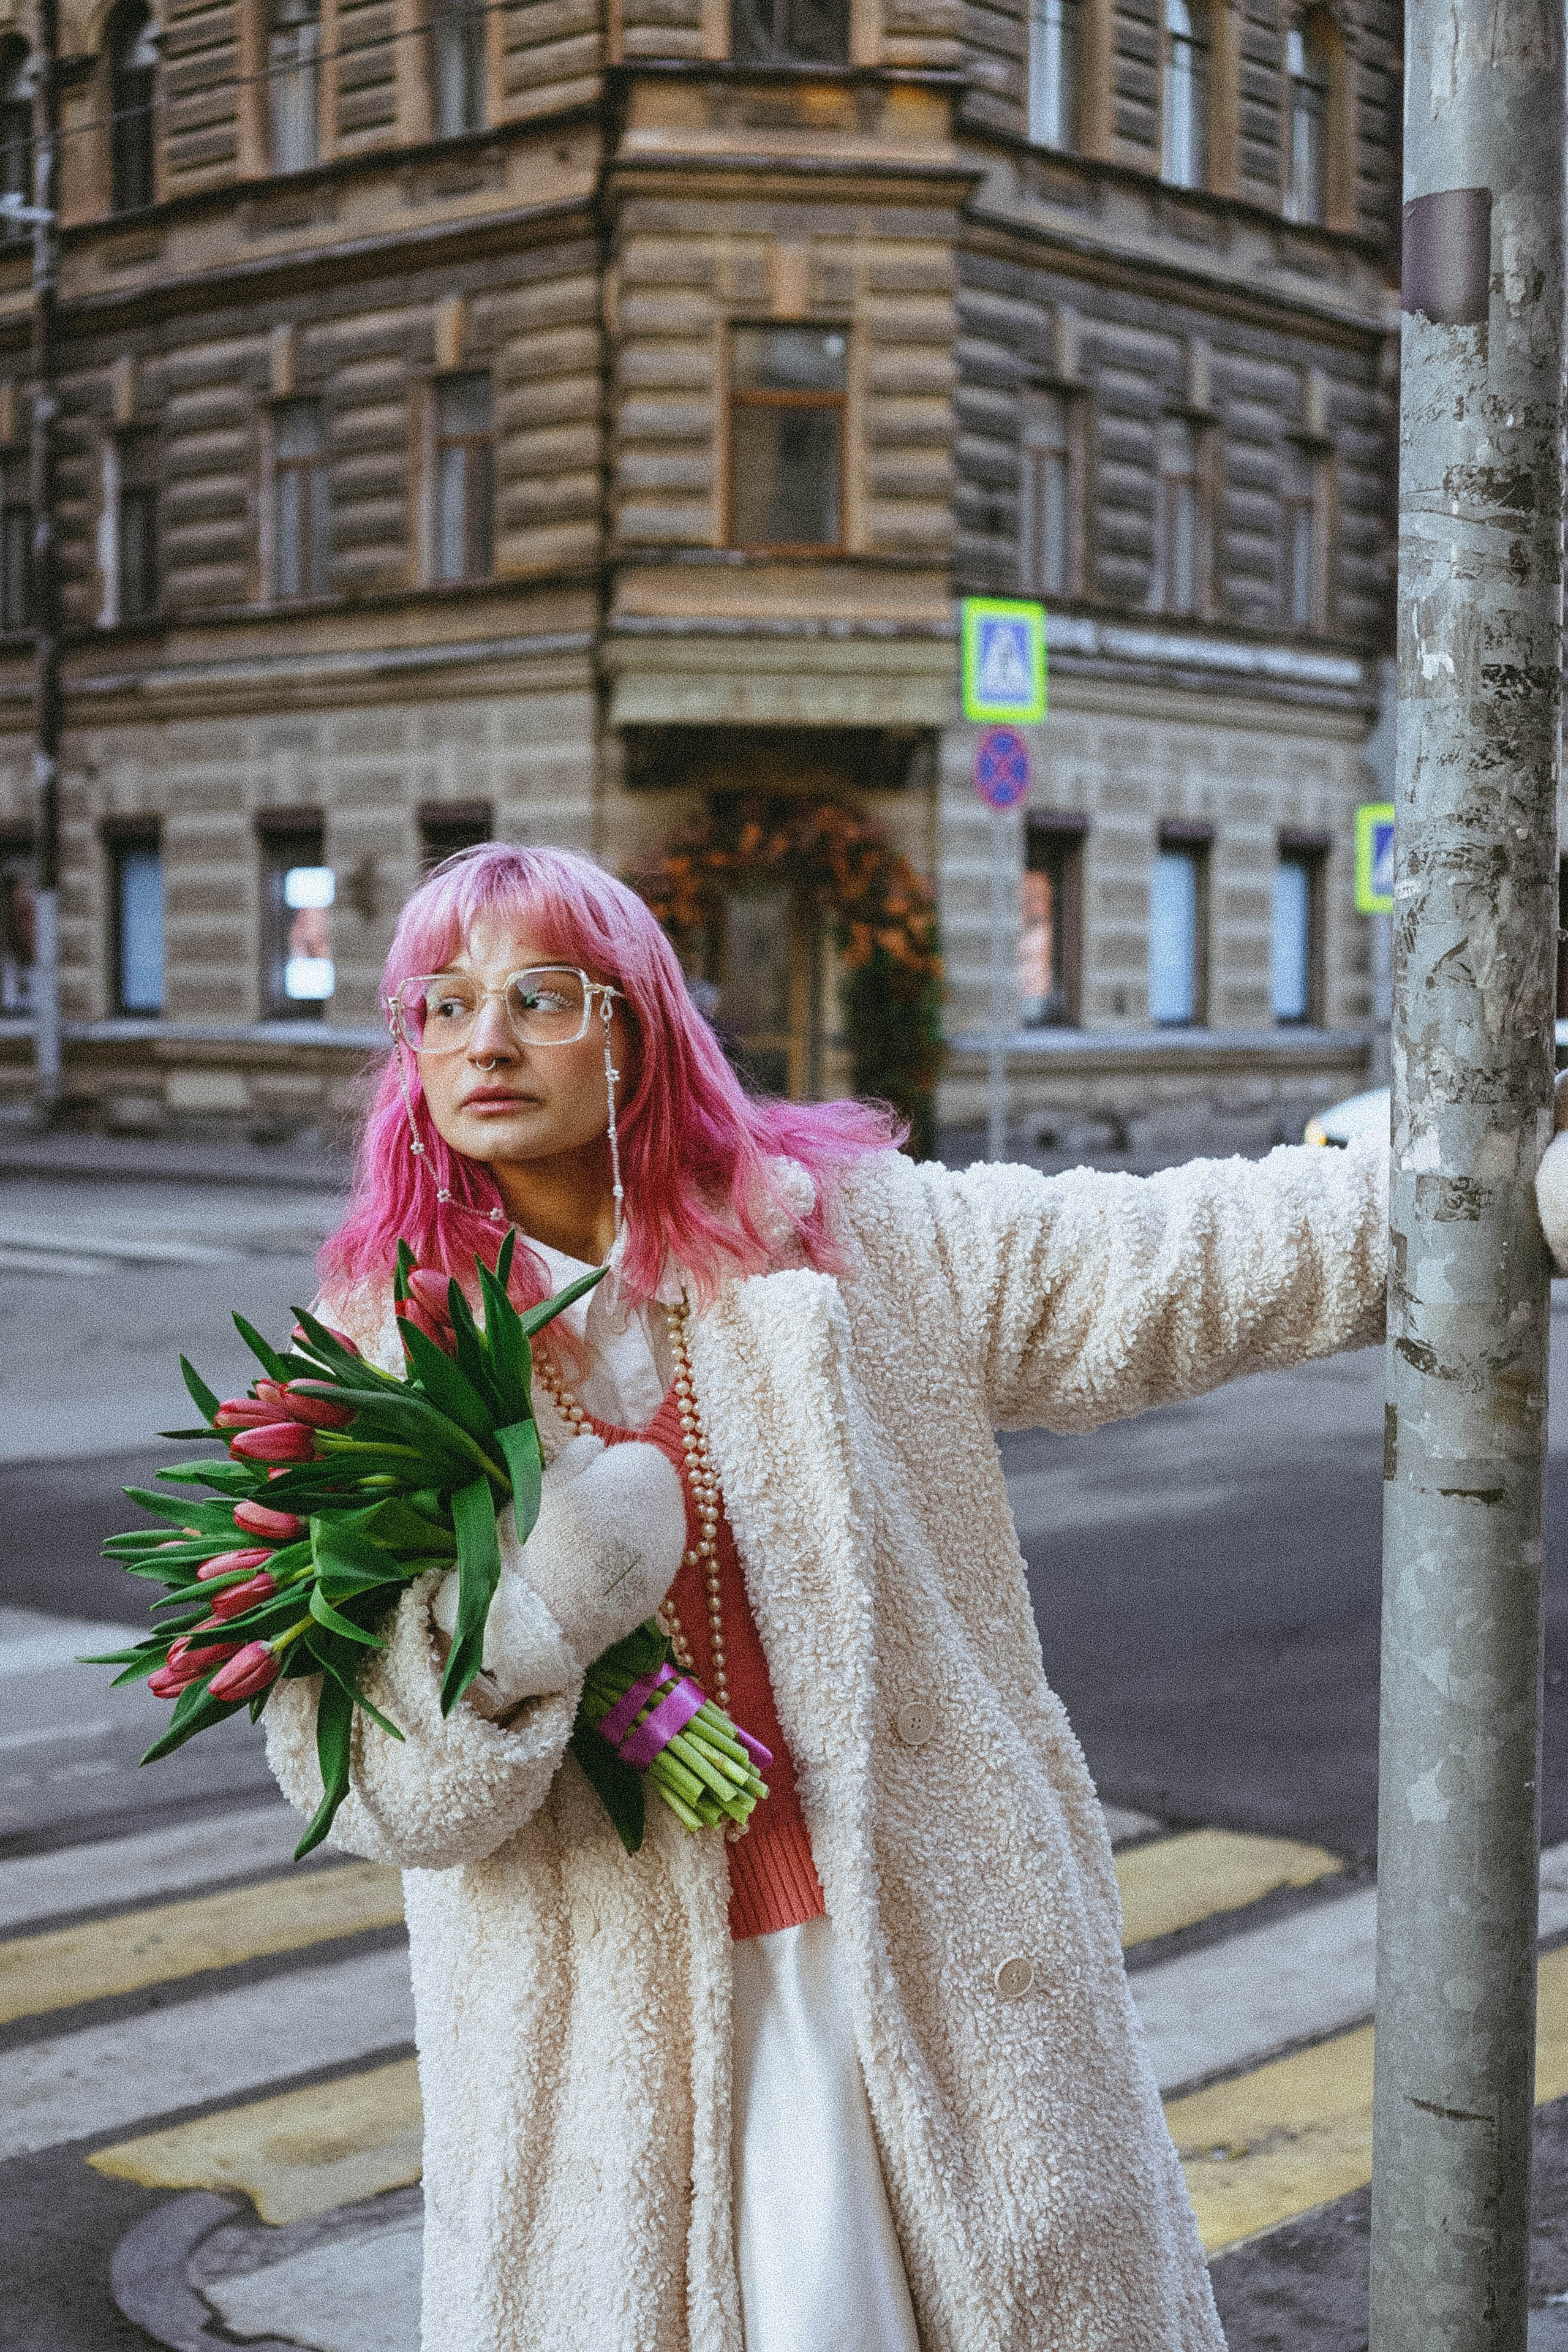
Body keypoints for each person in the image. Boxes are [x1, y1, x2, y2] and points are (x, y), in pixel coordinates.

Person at [263, 840, 1396, 2352]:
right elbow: (360, 1776)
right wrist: (532, 1625)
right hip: (607, 2049)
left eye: (540, 996)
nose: (486, 1042)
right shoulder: (375, 1358)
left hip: (923, 1968)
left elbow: (1159, 1261)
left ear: (634, 1029)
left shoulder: (846, 1243)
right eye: (441, 1005)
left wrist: (1456, 1201)